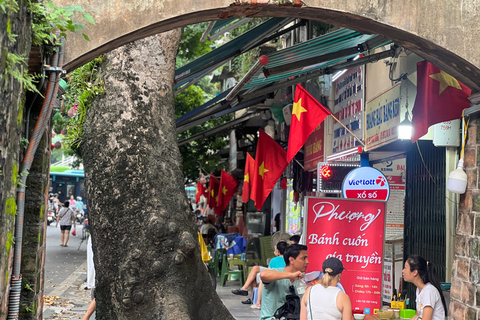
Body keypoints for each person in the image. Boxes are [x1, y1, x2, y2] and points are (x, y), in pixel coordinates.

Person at [259, 244, 309, 320]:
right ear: (291, 260)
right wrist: (290, 275)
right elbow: (263, 275)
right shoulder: (277, 273)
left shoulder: (302, 279)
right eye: (303, 258)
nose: (307, 262)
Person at [402, 255, 447, 320]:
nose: (403, 271)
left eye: (405, 268)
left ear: (415, 272)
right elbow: (417, 316)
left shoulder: (429, 291)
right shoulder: (419, 290)